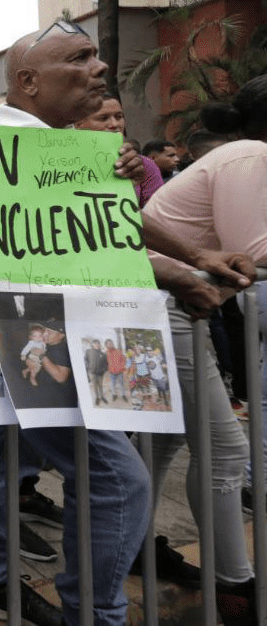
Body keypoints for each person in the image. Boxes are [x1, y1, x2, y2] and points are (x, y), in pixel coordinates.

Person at [0, 19, 251, 626]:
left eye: (98, 56)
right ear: (29, 82)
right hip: (29, 335)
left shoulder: (67, 149)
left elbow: (99, 227)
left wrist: (193, 261)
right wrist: (184, 270)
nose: (99, 68)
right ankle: (93, 612)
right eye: (80, 57)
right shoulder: (7, 151)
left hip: (37, 332)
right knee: (119, 481)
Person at [140, 75, 267, 625]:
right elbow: (253, 260)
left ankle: (135, 544)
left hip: (174, 302)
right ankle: (236, 589)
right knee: (224, 452)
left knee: (166, 446)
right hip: (165, 299)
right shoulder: (249, 157)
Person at [75, 95, 165, 205]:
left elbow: (155, 214)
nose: (115, 124)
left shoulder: (143, 166)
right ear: (78, 124)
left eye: (119, 117)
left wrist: (128, 189)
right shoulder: (62, 166)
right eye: (103, 118)